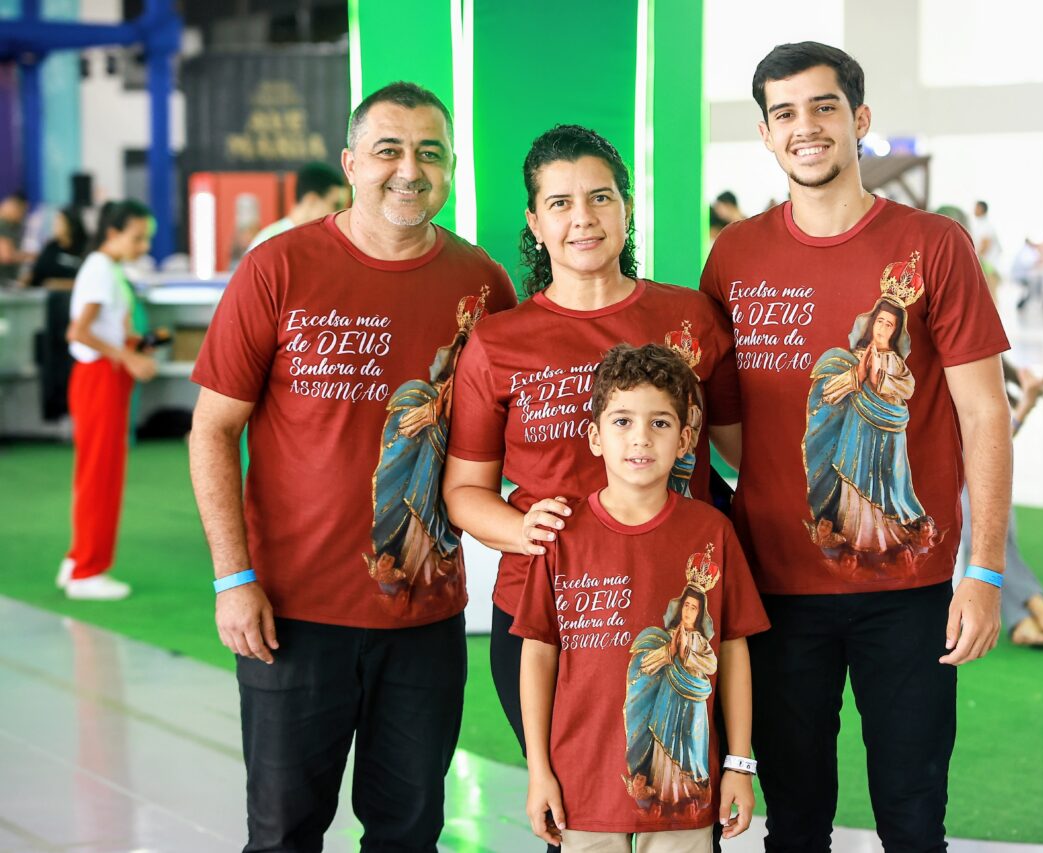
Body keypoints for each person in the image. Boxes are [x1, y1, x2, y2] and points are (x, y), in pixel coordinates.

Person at [700, 42, 1013, 852]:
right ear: (766, 134)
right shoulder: (733, 256)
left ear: (860, 119)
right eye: (784, 113)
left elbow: (985, 414)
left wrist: (984, 572)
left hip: (907, 585)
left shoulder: (935, 244)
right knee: (795, 820)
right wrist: (813, 462)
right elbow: (728, 424)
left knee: (913, 817)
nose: (805, 127)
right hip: (776, 588)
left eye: (824, 107)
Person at [187, 81, 515, 851]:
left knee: (409, 832)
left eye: (430, 153)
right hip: (291, 615)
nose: (410, 169)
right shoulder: (277, 267)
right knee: (283, 833)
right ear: (350, 164)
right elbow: (212, 429)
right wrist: (233, 579)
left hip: (424, 615)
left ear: (451, 168)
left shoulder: (482, 285)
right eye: (388, 150)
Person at [442, 124, 740, 760]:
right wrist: (522, 531)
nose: (583, 217)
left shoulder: (691, 319)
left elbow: (745, 453)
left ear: (626, 207)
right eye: (560, 203)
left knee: (680, 795)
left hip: (680, 601)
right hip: (550, 610)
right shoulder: (499, 343)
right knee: (570, 803)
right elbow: (465, 492)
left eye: (601, 197)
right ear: (535, 222)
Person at [514, 343, 769, 852]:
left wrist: (739, 765)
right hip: (582, 790)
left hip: (682, 792)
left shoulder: (712, 532)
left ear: (685, 439)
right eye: (623, 421)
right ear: (595, 436)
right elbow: (538, 653)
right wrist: (539, 772)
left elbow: (732, 649)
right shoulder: (562, 533)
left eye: (660, 423)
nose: (641, 438)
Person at [56, 199, 158, 600]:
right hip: (99, 378)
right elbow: (78, 332)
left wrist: (137, 347)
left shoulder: (110, 269)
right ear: (113, 233)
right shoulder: (100, 269)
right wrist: (127, 357)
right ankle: (87, 571)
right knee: (100, 476)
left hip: (106, 377)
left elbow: (109, 330)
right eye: (137, 238)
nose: (143, 246)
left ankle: (77, 559)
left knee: (98, 473)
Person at [960, 361, 1043, 648]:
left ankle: (1030, 610)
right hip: (972, 490)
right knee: (990, 548)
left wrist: (1027, 403)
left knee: (990, 547)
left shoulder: (975, 396)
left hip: (979, 491)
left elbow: (994, 441)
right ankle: (1025, 617)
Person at [247, 161, 350, 251]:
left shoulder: (323, 242)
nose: (341, 213)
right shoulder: (268, 244)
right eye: (336, 205)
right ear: (311, 200)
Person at [31, 206, 89, 289]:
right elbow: (37, 272)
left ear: (70, 224)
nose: (55, 226)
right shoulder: (51, 247)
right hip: (44, 293)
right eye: (55, 222)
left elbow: (87, 280)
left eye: (59, 222)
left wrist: (61, 284)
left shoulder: (84, 248)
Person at [0, 190, 33, 283]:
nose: (23, 215)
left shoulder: (15, 225)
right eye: (22, 211)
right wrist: (35, 256)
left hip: (9, 279)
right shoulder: (2, 224)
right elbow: (7, 256)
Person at [971, 200, 1002, 291]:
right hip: (987, 265)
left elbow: (985, 246)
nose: (973, 210)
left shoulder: (985, 226)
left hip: (989, 266)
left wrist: (973, 259)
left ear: (981, 209)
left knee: (991, 293)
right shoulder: (981, 224)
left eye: (976, 207)